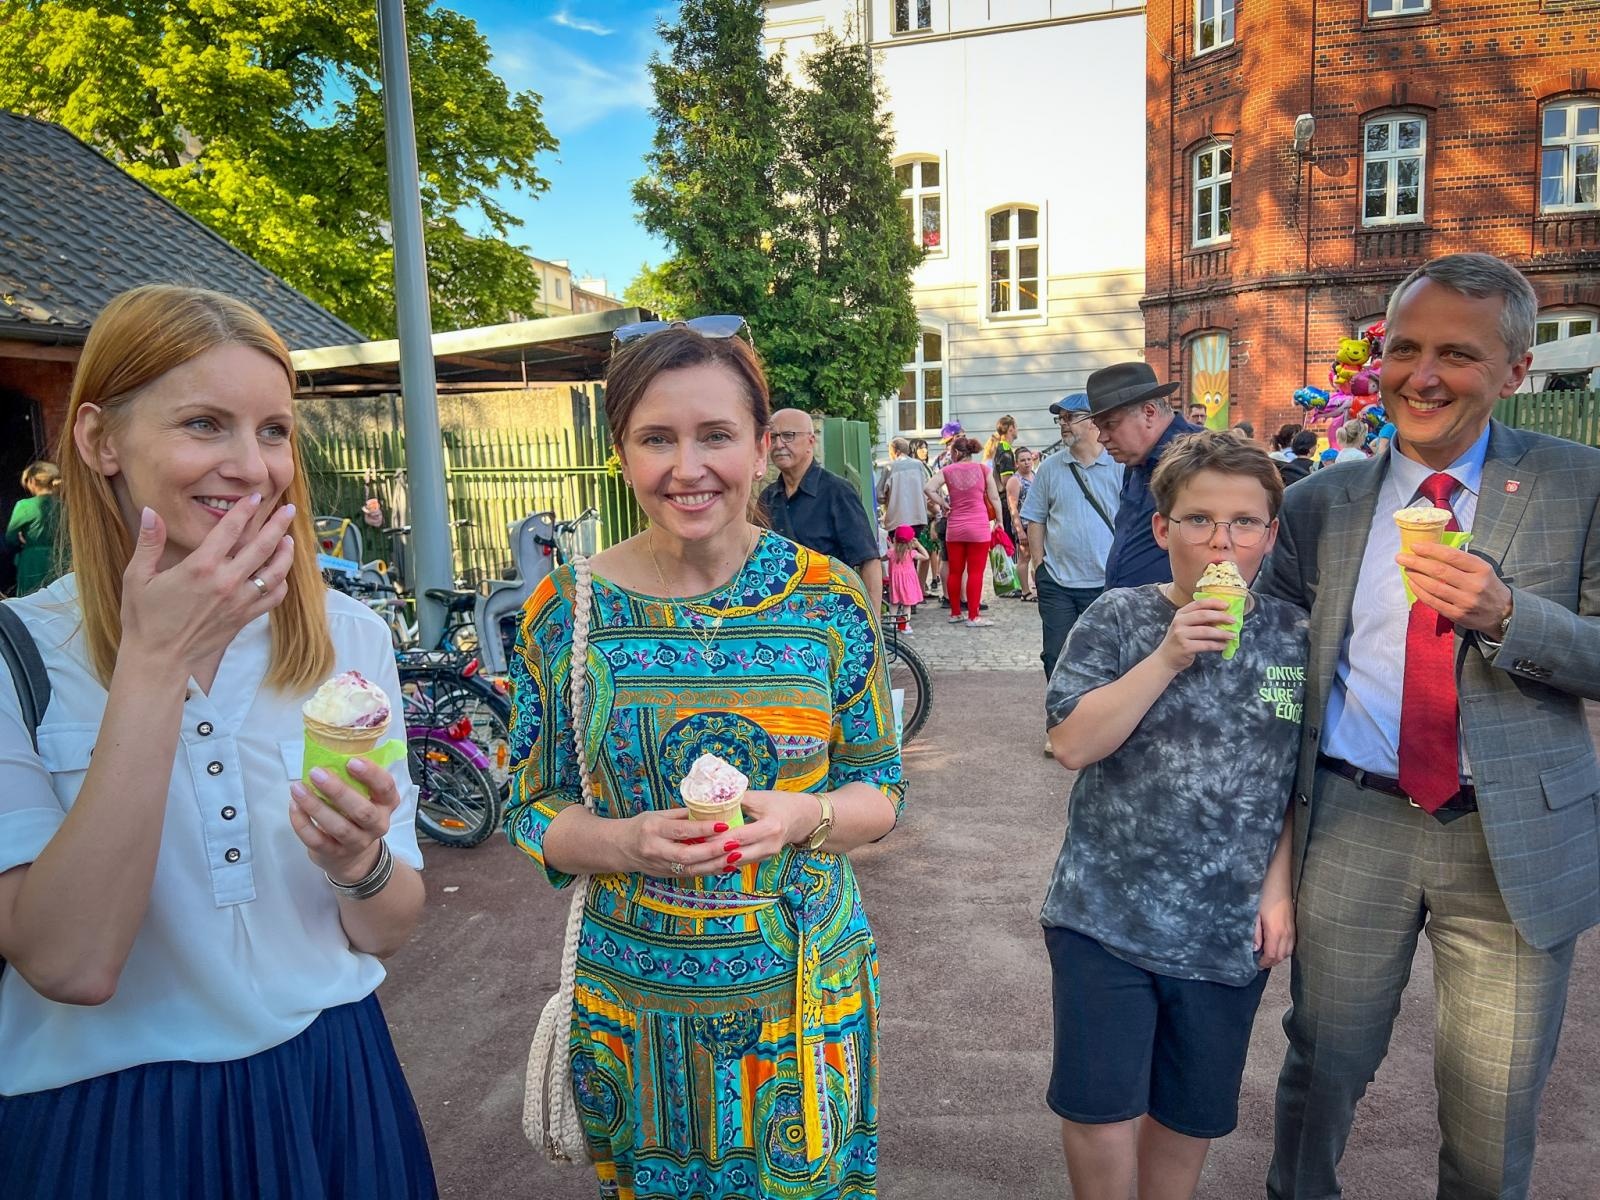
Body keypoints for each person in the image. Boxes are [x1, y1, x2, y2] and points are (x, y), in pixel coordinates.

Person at [0, 286, 434, 1197]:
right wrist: (156, 662)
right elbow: (71, 964)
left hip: (334, 1086)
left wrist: (358, 863)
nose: (251, 466)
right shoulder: (18, 655)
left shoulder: (348, 639)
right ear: (100, 440)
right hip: (110, 1126)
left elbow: (389, 928)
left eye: (273, 431)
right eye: (205, 424)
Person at [504, 320, 905, 1197]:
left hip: (804, 995)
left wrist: (806, 816)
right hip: (635, 1007)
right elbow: (528, 804)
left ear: (763, 449)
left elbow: (880, 788)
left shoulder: (829, 600)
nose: (688, 468)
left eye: (716, 435)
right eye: (657, 439)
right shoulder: (565, 612)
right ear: (621, 454)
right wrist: (622, 843)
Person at [1259, 253, 1600, 1200]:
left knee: (1493, 1108)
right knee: (1322, 1065)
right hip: (1353, 819)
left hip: (1511, 835)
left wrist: (1509, 617)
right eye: (1405, 349)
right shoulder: (1317, 505)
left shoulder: (1582, 485)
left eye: (1457, 353)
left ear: (1515, 370)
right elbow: (1274, 674)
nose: (1422, 375)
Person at [1043, 430, 1305, 1200]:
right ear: (1162, 529)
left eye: (1244, 522)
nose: (1222, 541)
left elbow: (1292, 778)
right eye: (1199, 520)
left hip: (1226, 923)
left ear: (1270, 535)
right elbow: (1071, 744)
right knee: (1099, 1109)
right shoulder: (1119, 618)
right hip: (1104, 911)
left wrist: (1277, 888)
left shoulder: (1294, 635)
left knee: (1189, 1115)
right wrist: (1167, 656)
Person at [1021, 394, 1124, 691]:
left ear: (1094, 420)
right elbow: (1036, 519)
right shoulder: (1050, 468)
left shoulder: (1118, 465)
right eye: (1061, 419)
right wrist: (1040, 566)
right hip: (1058, 583)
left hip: (1105, 583)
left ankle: (1099, 714)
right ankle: (1062, 714)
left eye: (1071, 417)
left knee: (1105, 656)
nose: (1063, 424)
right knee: (1056, 656)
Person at [1085, 361, 1201, 589]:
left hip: (1180, 607)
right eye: (1099, 428)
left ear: (1149, 413)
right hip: (1131, 604)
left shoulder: (1202, 457)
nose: (1102, 437)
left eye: (1110, 424)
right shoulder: (1136, 460)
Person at [762, 407, 884, 610]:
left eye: (788, 436)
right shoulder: (768, 497)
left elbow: (868, 560)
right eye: (773, 437)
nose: (779, 444)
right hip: (779, 617)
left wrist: (873, 620)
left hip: (828, 613)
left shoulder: (837, 492)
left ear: (811, 441)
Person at [924, 435, 1002, 627]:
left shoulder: (947, 470)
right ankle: (973, 616)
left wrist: (943, 504)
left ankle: (955, 613)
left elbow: (928, 488)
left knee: (955, 572)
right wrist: (999, 520)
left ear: (957, 452)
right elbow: (994, 497)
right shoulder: (983, 469)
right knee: (975, 572)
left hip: (955, 527)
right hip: (978, 527)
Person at [5, 461, 62, 595]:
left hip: (32, 562)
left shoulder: (25, 505)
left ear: (32, 481)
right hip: (61, 558)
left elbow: (10, 537)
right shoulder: (65, 504)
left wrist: (21, 541)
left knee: (31, 599)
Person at [1006, 446, 1039, 600]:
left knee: (1038, 557)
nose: (1027, 463)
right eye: (1023, 460)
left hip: (1037, 523)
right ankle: (1025, 591)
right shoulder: (1015, 480)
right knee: (1024, 557)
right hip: (1023, 524)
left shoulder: (1035, 475)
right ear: (1016, 463)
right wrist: (1019, 530)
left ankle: (1038, 587)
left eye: (1029, 459)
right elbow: (1012, 507)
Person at [887, 523, 927, 631]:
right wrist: (918, 545)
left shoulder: (891, 553)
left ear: (895, 539)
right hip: (908, 583)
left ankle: (892, 623)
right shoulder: (911, 553)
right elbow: (926, 556)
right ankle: (906, 626)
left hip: (895, 583)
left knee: (894, 603)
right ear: (911, 541)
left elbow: (881, 558)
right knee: (907, 605)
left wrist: (892, 546)